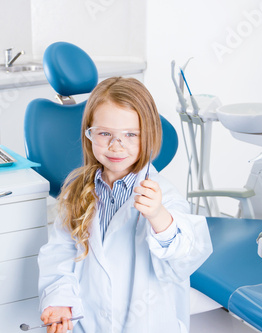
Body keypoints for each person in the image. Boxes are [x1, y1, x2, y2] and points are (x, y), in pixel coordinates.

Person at [38, 77, 213, 333]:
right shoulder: (76, 191)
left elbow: (185, 258)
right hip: (88, 322)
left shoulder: (162, 195)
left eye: (131, 134)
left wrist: (158, 216)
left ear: (149, 135)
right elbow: (60, 252)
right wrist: (60, 299)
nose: (115, 145)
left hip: (147, 323)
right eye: (105, 133)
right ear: (89, 134)